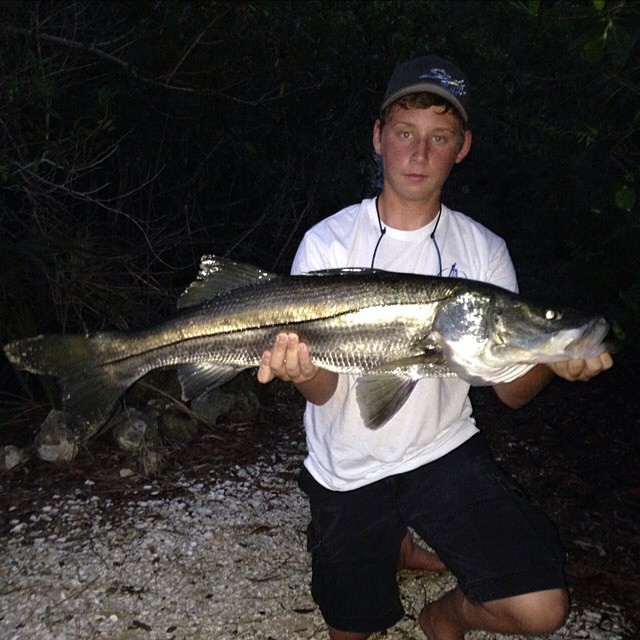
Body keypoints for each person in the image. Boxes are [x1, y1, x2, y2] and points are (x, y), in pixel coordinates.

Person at [257, 55, 613, 640]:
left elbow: (511, 392)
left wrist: (554, 355)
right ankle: (392, 542)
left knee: (542, 609)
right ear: (379, 138)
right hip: (348, 467)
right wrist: (300, 372)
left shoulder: (484, 251)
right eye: (405, 134)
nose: (419, 155)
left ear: (462, 147)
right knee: (352, 631)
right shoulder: (327, 241)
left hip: (441, 453)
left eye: (439, 137)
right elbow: (323, 392)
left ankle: (443, 615)